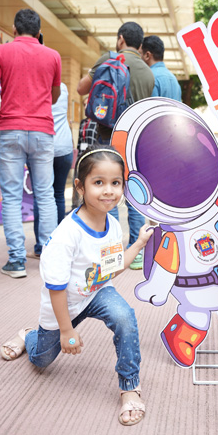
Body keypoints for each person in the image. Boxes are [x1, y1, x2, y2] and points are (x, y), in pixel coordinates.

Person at [0, 144, 153, 426]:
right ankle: (28, 335)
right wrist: (66, 330)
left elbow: (113, 267)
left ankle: (130, 385)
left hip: (95, 293)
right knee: (40, 360)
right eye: (99, 182)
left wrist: (139, 243)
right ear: (81, 187)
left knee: (125, 317)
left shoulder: (112, 225)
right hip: (63, 304)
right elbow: (56, 289)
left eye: (115, 183)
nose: (109, 191)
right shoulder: (66, 235)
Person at [78, 22, 154, 270]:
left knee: (107, 191)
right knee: (133, 194)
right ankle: (136, 252)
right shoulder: (148, 73)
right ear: (140, 44)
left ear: (121, 39)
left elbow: (81, 88)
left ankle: (109, 249)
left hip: (106, 137)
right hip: (133, 142)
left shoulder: (108, 59)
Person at [0, 8, 60, 278]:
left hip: (10, 129)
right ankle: (50, 258)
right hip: (43, 130)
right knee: (45, 194)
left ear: (14, 29)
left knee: (11, 196)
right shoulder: (53, 55)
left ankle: (17, 261)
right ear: (39, 32)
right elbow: (54, 96)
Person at [29, 83, 74, 257]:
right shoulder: (63, 87)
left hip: (42, 145)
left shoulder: (35, 86)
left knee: (41, 196)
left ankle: (41, 247)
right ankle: (58, 242)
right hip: (64, 146)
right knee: (58, 195)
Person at [71, 96, 98, 210]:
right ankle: (75, 207)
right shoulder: (83, 122)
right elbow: (79, 142)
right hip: (81, 157)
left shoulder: (97, 122)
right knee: (76, 182)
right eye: (84, 105)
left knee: (90, 183)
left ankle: (89, 207)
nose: (86, 107)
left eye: (88, 104)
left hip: (92, 158)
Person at [141, 35, 182, 101]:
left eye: (140, 54)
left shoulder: (150, 77)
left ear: (147, 55)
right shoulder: (173, 78)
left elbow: (151, 106)